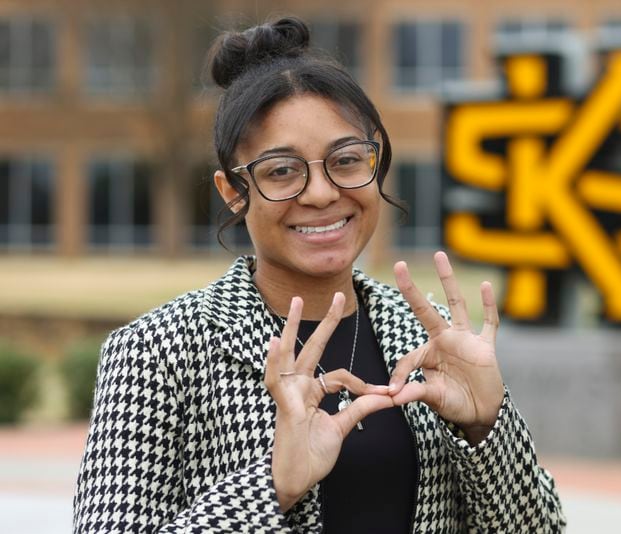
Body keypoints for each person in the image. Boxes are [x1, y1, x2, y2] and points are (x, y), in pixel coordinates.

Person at [73, 16, 566, 533]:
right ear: (233, 192)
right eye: (282, 171)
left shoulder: (436, 342)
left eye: (346, 160)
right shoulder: (157, 351)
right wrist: (271, 487)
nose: (322, 193)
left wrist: (486, 427)